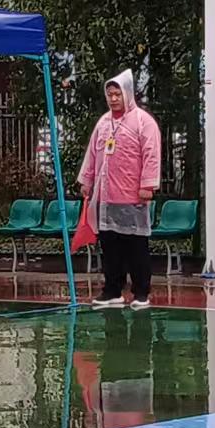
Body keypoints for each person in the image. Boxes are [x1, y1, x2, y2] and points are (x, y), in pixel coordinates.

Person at [79, 70, 162, 308]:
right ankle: (112, 290)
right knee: (110, 246)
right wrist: (87, 180)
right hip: (107, 197)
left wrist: (147, 185)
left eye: (117, 94)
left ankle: (141, 292)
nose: (114, 99)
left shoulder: (143, 122)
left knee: (135, 246)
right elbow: (93, 153)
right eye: (110, 95)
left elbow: (151, 154)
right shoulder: (103, 123)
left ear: (127, 94)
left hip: (132, 196)